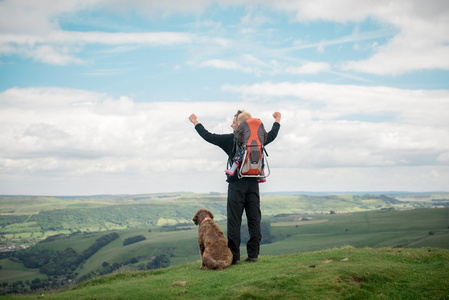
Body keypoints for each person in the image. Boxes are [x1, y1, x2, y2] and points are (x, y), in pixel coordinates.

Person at [189, 110, 281, 265]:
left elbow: (209, 136)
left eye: (233, 122)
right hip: (253, 184)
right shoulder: (260, 139)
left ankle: (235, 258)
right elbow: (274, 133)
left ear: (239, 125)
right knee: (254, 220)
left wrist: (195, 122)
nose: (231, 125)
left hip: (236, 185)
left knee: (234, 222)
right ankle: (253, 255)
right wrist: (277, 119)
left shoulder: (231, 139)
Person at [225, 112, 252, 176]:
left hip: (243, 150)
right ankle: (261, 174)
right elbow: (272, 135)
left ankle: (232, 169)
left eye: (234, 123)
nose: (231, 125)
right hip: (253, 182)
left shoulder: (236, 135)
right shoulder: (255, 135)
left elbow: (210, 137)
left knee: (237, 158)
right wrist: (277, 120)